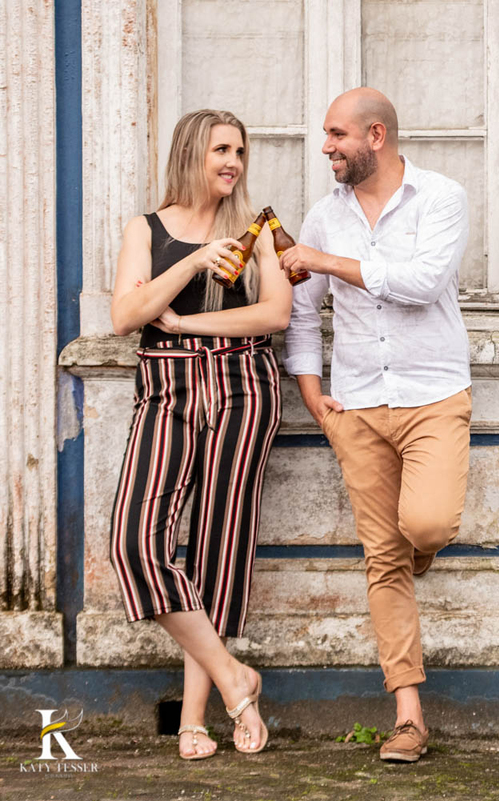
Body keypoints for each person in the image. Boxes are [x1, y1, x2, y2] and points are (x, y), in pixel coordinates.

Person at [281, 87, 471, 763]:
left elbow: (421, 282)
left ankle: (411, 549)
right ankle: (409, 716)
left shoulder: (441, 197)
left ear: (377, 136)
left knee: (425, 527)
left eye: (337, 134)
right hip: (356, 403)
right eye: (325, 135)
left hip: (432, 396)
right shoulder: (322, 215)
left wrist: (324, 261)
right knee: (384, 559)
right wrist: (311, 390)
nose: (326, 146)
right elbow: (303, 312)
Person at [108, 109, 293, 759]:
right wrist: (191, 267)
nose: (233, 161)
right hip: (166, 387)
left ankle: (197, 718)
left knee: (217, 550)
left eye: (240, 150)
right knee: (135, 542)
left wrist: (189, 328)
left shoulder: (257, 226)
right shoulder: (147, 228)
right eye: (221, 148)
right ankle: (234, 676)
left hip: (244, 387)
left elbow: (274, 313)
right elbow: (126, 315)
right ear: (191, 153)